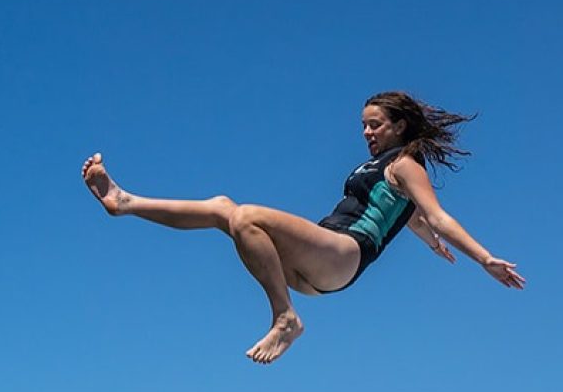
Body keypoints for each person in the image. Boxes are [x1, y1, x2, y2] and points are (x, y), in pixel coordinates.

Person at [82, 91, 524, 364]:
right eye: (363, 126)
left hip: (343, 253)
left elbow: (436, 214)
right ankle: (125, 202)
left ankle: (285, 316)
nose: (367, 132)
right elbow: (408, 215)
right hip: (320, 264)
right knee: (223, 208)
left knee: (246, 215)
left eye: (375, 125)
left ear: (399, 126)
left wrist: (482, 258)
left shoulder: (407, 164)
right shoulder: (383, 169)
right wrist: (428, 239)